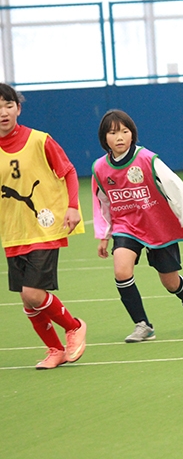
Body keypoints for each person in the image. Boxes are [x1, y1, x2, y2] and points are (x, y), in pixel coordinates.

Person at [92, 109, 183, 343]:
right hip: (126, 225)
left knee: (170, 282)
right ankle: (143, 325)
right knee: (122, 271)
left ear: (133, 134)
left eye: (124, 131)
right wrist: (104, 235)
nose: (120, 136)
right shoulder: (100, 169)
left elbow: (175, 186)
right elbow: (101, 202)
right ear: (105, 139)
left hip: (158, 224)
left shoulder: (147, 159)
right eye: (113, 133)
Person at [0, 83, 87, 370]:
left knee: (33, 294)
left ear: (18, 108)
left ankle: (73, 327)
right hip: (13, 233)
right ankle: (55, 350)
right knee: (28, 300)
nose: (3, 112)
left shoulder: (40, 140)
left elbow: (69, 171)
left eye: (8, 105)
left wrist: (73, 206)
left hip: (44, 228)